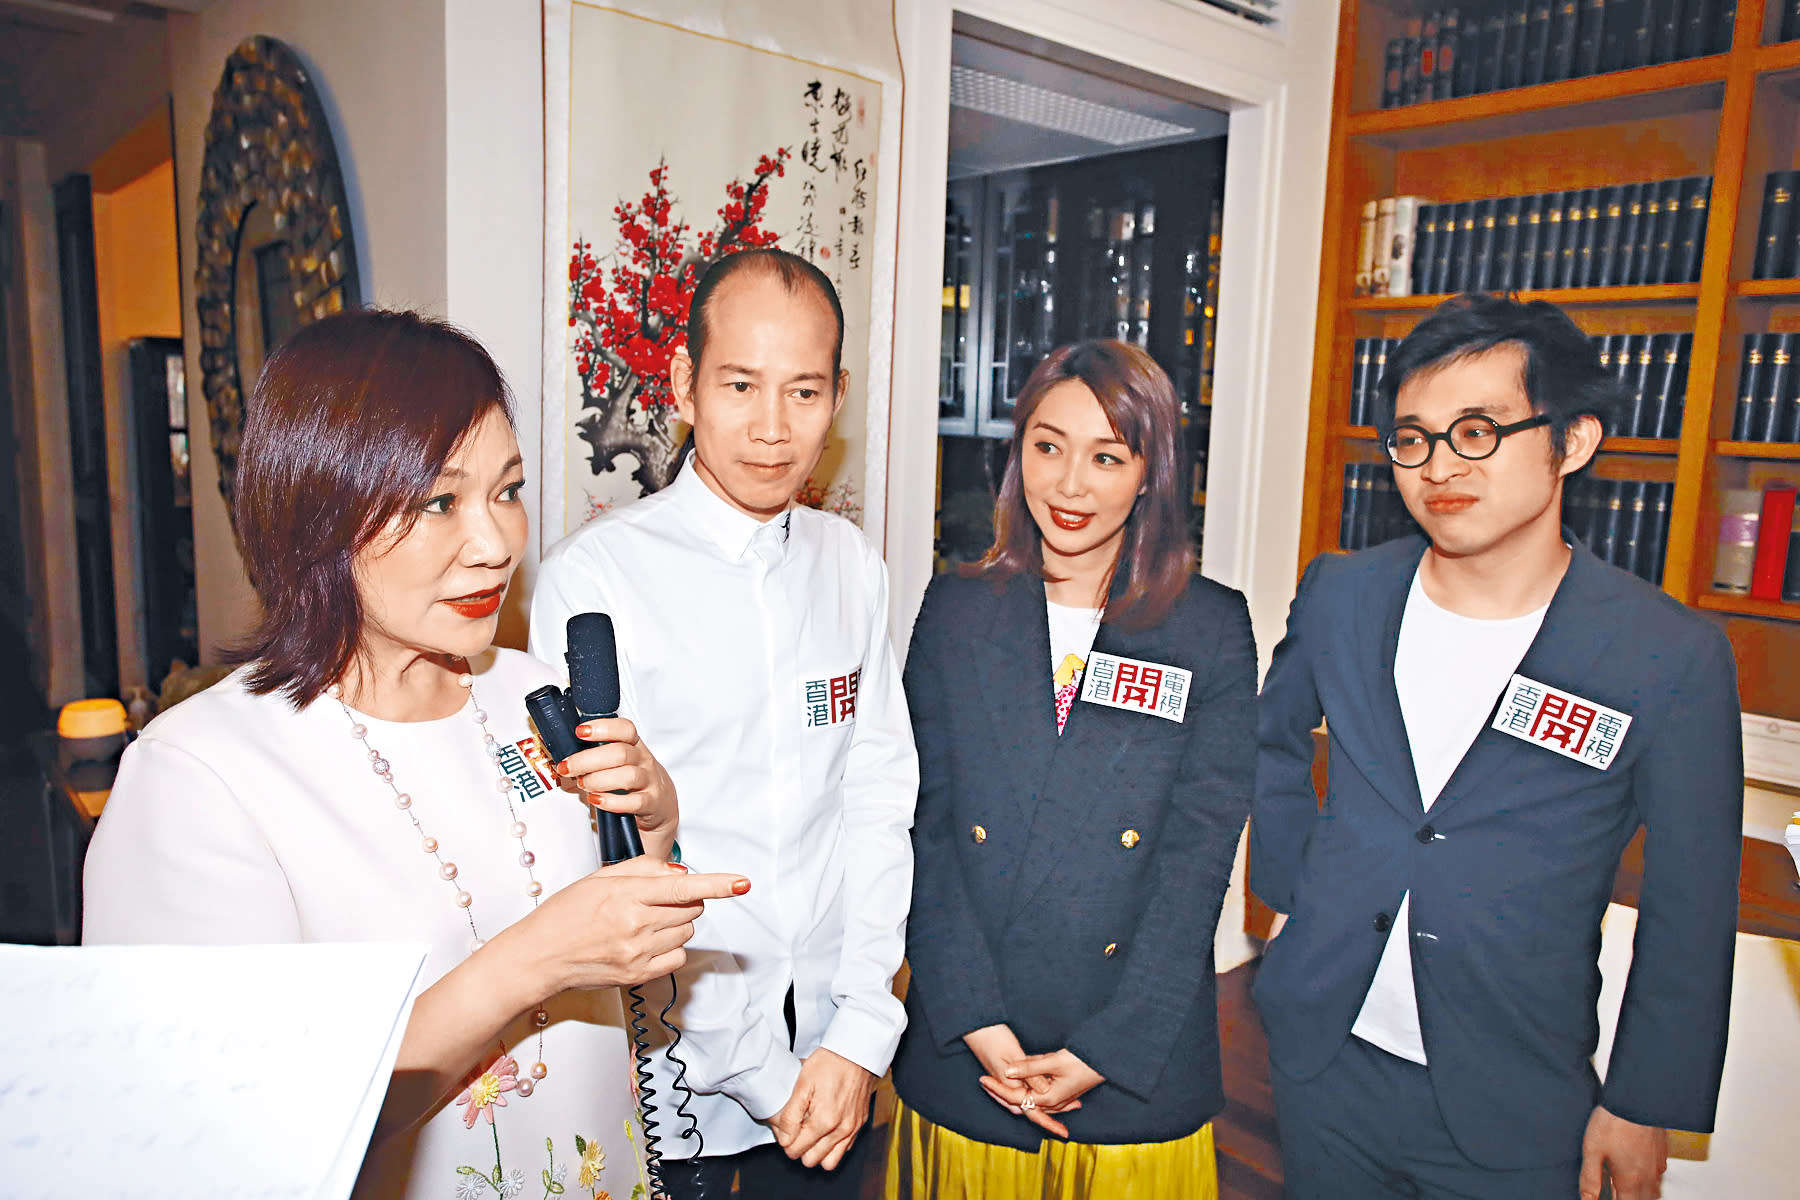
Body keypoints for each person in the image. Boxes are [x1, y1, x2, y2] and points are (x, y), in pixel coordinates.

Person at [83, 310, 750, 1199]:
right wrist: (536, 959)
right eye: (440, 503)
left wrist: (653, 829)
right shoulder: (199, 776)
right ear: (318, 512)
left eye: (507, 491)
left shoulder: (527, 693)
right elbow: (231, 1133)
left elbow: (610, 929)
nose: (497, 543)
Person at [1252, 294, 1743, 1200]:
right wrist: (1289, 891)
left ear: (1573, 442)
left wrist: (1643, 1102)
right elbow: (1268, 742)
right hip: (1323, 1056)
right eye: (1413, 439)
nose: (1440, 466)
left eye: (1477, 431)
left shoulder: (1667, 654)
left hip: (1515, 1090)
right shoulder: (1343, 595)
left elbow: (1692, 898)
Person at [530, 248, 918, 1199]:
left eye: (804, 392)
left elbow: (877, 799)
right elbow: (611, 857)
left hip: (837, 1060)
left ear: (838, 398)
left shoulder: (851, 565)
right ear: (684, 385)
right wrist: (763, 1076)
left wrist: (863, 1030)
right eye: (740, 385)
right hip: (686, 1078)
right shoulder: (596, 580)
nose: (773, 428)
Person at [886, 339, 1257, 1198]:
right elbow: (924, 832)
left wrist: (1108, 1046)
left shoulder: (1208, 629)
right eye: (1047, 447)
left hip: (1130, 1051)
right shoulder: (956, 611)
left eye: (1107, 458)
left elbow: (1195, 863)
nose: (1070, 485)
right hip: (971, 1045)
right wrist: (975, 1018)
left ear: (1151, 473)